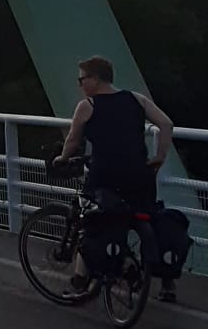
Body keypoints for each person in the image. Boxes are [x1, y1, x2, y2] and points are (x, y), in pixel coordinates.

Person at [56, 55, 178, 301]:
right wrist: (160, 156)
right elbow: (166, 124)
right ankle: (166, 283)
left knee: (91, 220)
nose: (80, 85)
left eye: (82, 79)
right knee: (150, 220)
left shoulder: (88, 105)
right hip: (140, 177)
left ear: (96, 79)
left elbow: (73, 140)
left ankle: (80, 281)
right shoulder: (137, 99)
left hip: (105, 176)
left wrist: (62, 158)